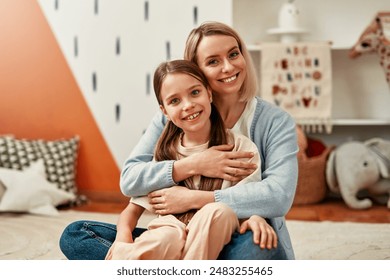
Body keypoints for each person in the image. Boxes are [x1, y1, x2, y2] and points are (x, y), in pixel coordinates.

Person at [59, 21, 298, 260]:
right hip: (175, 235)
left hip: (237, 234)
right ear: (196, 70)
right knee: (77, 234)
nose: (228, 66)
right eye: (213, 61)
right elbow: (130, 180)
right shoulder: (174, 120)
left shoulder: (274, 123)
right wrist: (193, 165)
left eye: (234, 54)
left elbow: (278, 196)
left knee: (262, 247)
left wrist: (196, 199)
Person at [104, 59, 276, 260]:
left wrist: (256, 217)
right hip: (169, 233)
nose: (188, 105)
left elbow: (249, 200)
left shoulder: (240, 149)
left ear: (209, 94)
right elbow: (131, 212)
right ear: (164, 112)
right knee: (165, 237)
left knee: (223, 215)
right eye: (174, 101)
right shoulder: (164, 156)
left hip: (220, 234)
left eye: (195, 93)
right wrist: (122, 243)